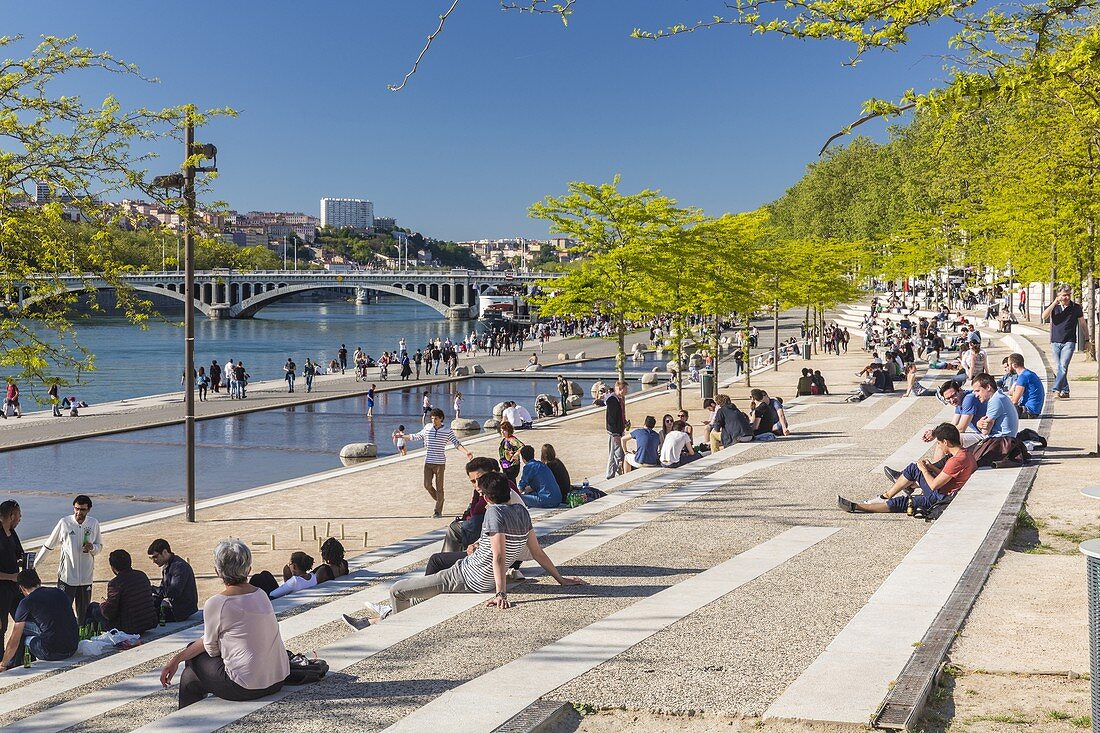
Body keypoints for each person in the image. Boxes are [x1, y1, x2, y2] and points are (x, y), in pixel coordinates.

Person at [342, 472, 585, 627]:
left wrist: (501, 594)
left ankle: (387, 627)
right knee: (420, 592)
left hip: (464, 576)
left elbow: (499, 555)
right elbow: (537, 552)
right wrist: (560, 579)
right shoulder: (521, 512)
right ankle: (376, 620)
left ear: (488, 497)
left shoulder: (494, 513)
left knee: (397, 591)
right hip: (476, 575)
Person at [159, 540, 289, 709]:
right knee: (190, 676)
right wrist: (176, 659)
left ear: (217, 571)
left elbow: (211, 649)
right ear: (249, 569)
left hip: (246, 686)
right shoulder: (260, 594)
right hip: (277, 678)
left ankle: (187, 719)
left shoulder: (217, 603)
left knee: (193, 659)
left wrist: (177, 659)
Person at [839, 423, 977, 515]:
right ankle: (864, 504)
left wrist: (924, 470)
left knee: (913, 474)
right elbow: (948, 476)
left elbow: (934, 485)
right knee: (908, 495)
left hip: (940, 497)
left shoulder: (956, 460)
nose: (940, 446)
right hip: (946, 494)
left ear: (946, 442)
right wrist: (931, 468)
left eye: (939, 443)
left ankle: (870, 502)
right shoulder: (966, 454)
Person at [398, 408, 475, 518]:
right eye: (432, 418)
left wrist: (466, 452)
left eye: (436, 419)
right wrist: (402, 436)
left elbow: (456, 443)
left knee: (440, 488)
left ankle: (438, 510)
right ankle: (440, 500)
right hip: (428, 462)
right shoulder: (428, 428)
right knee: (427, 485)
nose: (433, 420)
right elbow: (416, 436)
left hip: (440, 463)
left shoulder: (447, 431)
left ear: (441, 419)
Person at [35, 495, 101, 620]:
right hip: (67, 578)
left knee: (84, 614)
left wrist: (92, 548)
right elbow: (49, 545)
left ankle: (81, 637)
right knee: (62, 610)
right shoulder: (65, 523)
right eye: (76, 509)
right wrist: (35, 565)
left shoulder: (93, 523)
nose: (78, 512)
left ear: (88, 509)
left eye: (82, 509)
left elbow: (99, 547)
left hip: (86, 578)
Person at [0, 569, 78, 672]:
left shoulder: (26, 602)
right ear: (39, 581)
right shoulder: (58, 592)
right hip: (72, 647)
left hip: (50, 652)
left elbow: (14, 640)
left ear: (22, 588)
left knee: (21, 632)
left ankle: (11, 665)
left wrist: (2, 664)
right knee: (30, 627)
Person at [85, 549, 158, 636]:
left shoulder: (115, 583)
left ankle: (83, 634)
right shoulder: (141, 575)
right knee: (92, 618)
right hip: (147, 622)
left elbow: (108, 613)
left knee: (93, 608)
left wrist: (103, 604)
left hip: (128, 627)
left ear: (113, 567)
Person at [1042, 284, 1091, 398]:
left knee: (1063, 366)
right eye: (1064, 295)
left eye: (1068, 295)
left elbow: (1083, 324)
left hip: (1069, 341)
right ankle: (1066, 390)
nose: (1067, 298)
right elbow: (1044, 317)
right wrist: (1054, 303)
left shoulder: (1076, 307)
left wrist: (1087, 339)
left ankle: (1056, 390)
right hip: (1055, 341)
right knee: (1059, 367)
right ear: (1058, 295)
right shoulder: (1054, 307)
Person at [148, 539, 199, 622]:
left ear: (164, 552)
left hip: (180, 611)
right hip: (174, 606)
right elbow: (163, 589)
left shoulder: (179, 566)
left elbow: (174, 591)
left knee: (145, 616)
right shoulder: (168, 565)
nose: (153, 561)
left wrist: (153, 589)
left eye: (155, 557)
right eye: (151, 558)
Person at [0, 501, 24, 653]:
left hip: (15, 588)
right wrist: (11, 576)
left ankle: (18, 658)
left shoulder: (12, 532)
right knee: (2, 627)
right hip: (2, 590)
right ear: (11, 516)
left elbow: (19, 554)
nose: (20, 519)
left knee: (23, 622)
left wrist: (25, 562)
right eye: (19, 516)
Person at [249, 551, 317, 599]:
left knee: (257, 578)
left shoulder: (295, 581)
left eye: (289, 564)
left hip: (276, 600)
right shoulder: (313, 577)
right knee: (265, 574)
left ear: (294, 566)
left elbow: (272, 594)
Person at [1005, 353, 1044, 418]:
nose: (1008, 367)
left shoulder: (1023, 377)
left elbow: (1014, 401)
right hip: (1034, 410)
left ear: (1014, 365)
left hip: (1028, 412)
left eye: (1009, 365)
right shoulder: (1029, 373)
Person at [605, 380, 628, 479]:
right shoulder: (612, 400)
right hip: (615, 433)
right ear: (619, 389)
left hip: (619, 430)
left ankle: (617, 472)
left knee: (618, 453)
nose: (627, 392)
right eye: (625, 389)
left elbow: (619, 415)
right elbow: (611, 419)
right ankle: (610, 475)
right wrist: (615, 434)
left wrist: (625, 422)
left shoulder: (619, 400)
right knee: (614, 453)